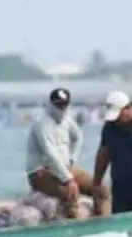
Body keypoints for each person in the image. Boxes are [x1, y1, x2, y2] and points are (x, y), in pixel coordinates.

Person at [26, 88, 110, 217]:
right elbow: (50, 153)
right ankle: (73, 226)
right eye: (59, 105)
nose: (62, 108)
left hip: (64, 168)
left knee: (101, 189)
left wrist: (72, 158)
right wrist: (68, 179)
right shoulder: (42, 124)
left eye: (65, 104)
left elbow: (78, 137)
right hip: (42, 172)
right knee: (71, 192)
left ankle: (103, 221)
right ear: (51, 104)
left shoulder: (67, 119)